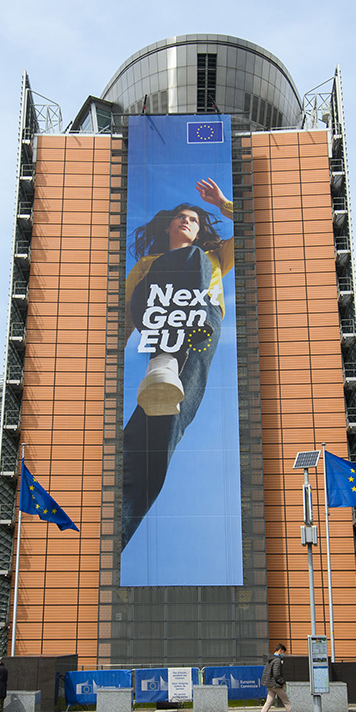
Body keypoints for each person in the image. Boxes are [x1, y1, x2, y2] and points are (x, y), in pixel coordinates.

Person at [122, 179, 235, 547]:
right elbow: (120, 319)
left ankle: (113, 527)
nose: (187, 222)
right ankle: (163, 363)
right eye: (181, 218)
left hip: (202, 323)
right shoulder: (146, 264)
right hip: (154, 312)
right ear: (168, 225)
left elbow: (261, 225)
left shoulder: (213, 258)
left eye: (194, 220)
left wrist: (222, 202)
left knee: (158, 435)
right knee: (184, 261)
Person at [256, 643, 305, 712]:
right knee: (286, 702)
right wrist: (282, 682)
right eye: (283, 652)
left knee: (268, 703)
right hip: (276, 685)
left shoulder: (270, 659)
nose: (283, 654)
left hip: (270, 685)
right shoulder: (277, 660)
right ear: (280, 650)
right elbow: (276, 674)